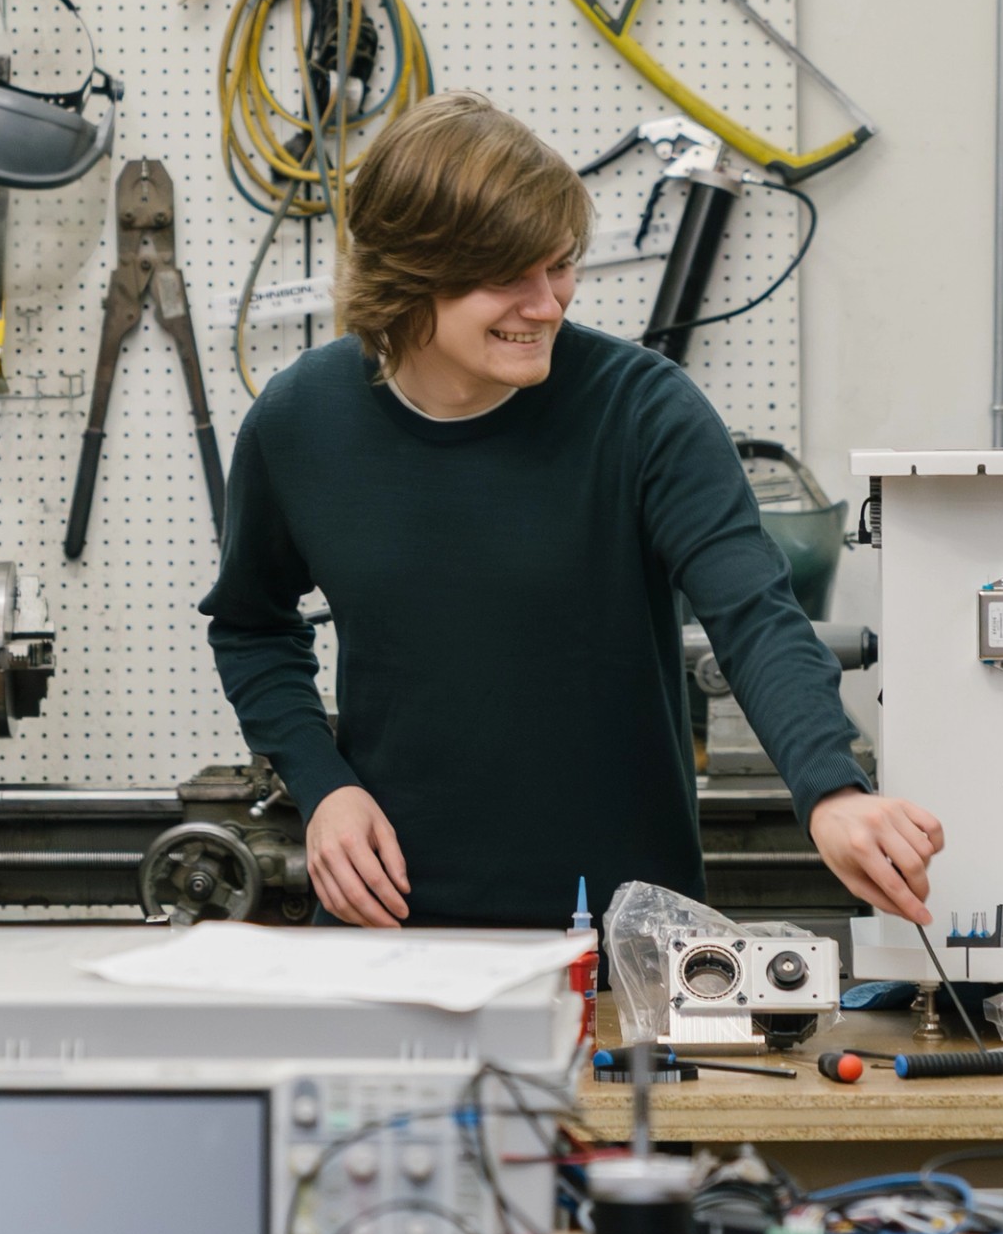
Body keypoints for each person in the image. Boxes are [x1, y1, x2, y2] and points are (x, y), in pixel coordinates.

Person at [202, 92, 945, 929]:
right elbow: (251, 625)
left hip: (622, 939)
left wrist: (831, 789)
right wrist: (321, 782)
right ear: (406, 275)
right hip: (392, 929)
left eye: (559, 266)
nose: (548, 304)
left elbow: (754, 615)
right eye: (506, 278)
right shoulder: (301, 422)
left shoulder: (644, 411)